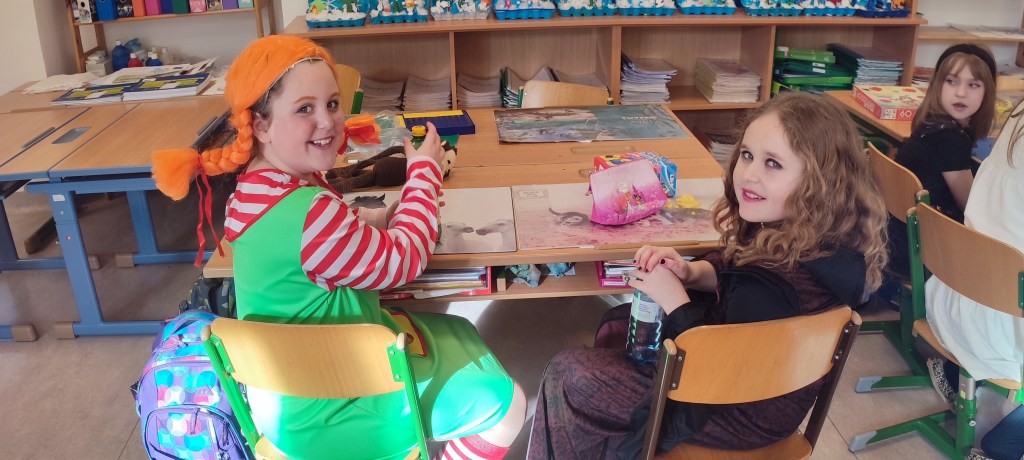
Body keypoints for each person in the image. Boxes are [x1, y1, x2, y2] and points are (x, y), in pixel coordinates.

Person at [150, 35, 525, 460]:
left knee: (458, 331)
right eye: (304, 109)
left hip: (281, 402)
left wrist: (373, 220)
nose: (327, 122)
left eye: (331, 104)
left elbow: (312, 242)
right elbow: (403, 261)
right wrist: (422, 175)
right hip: (340, 403)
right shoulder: (312, 212)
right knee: (510, 404)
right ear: (261, 126)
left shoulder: (252, 190)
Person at [526, 92, 889, 459]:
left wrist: (676, 301)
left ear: (819, 182)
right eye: (747, 155)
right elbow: (737, 268)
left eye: (773, 164)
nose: (749, 174)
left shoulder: (767, 288)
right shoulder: (816, 236)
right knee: (618, 324)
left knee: (567, 375)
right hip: (768, 394)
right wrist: (691, 271)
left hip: (736, 411)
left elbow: (712, 373)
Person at [924, 98, 1024, 460]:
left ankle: (962, 382)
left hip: (955, 297)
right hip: (1002, 332)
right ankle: (1002, 438)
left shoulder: (1018, 115)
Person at [888, 43, 996, 275]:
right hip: (925, 255)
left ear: (987, 93)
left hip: (900, 241)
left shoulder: (930, 123)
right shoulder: (950, 140)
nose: (961, 93)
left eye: (973, 85)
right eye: (951, 81)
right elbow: (972, 209)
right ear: (938, 84)